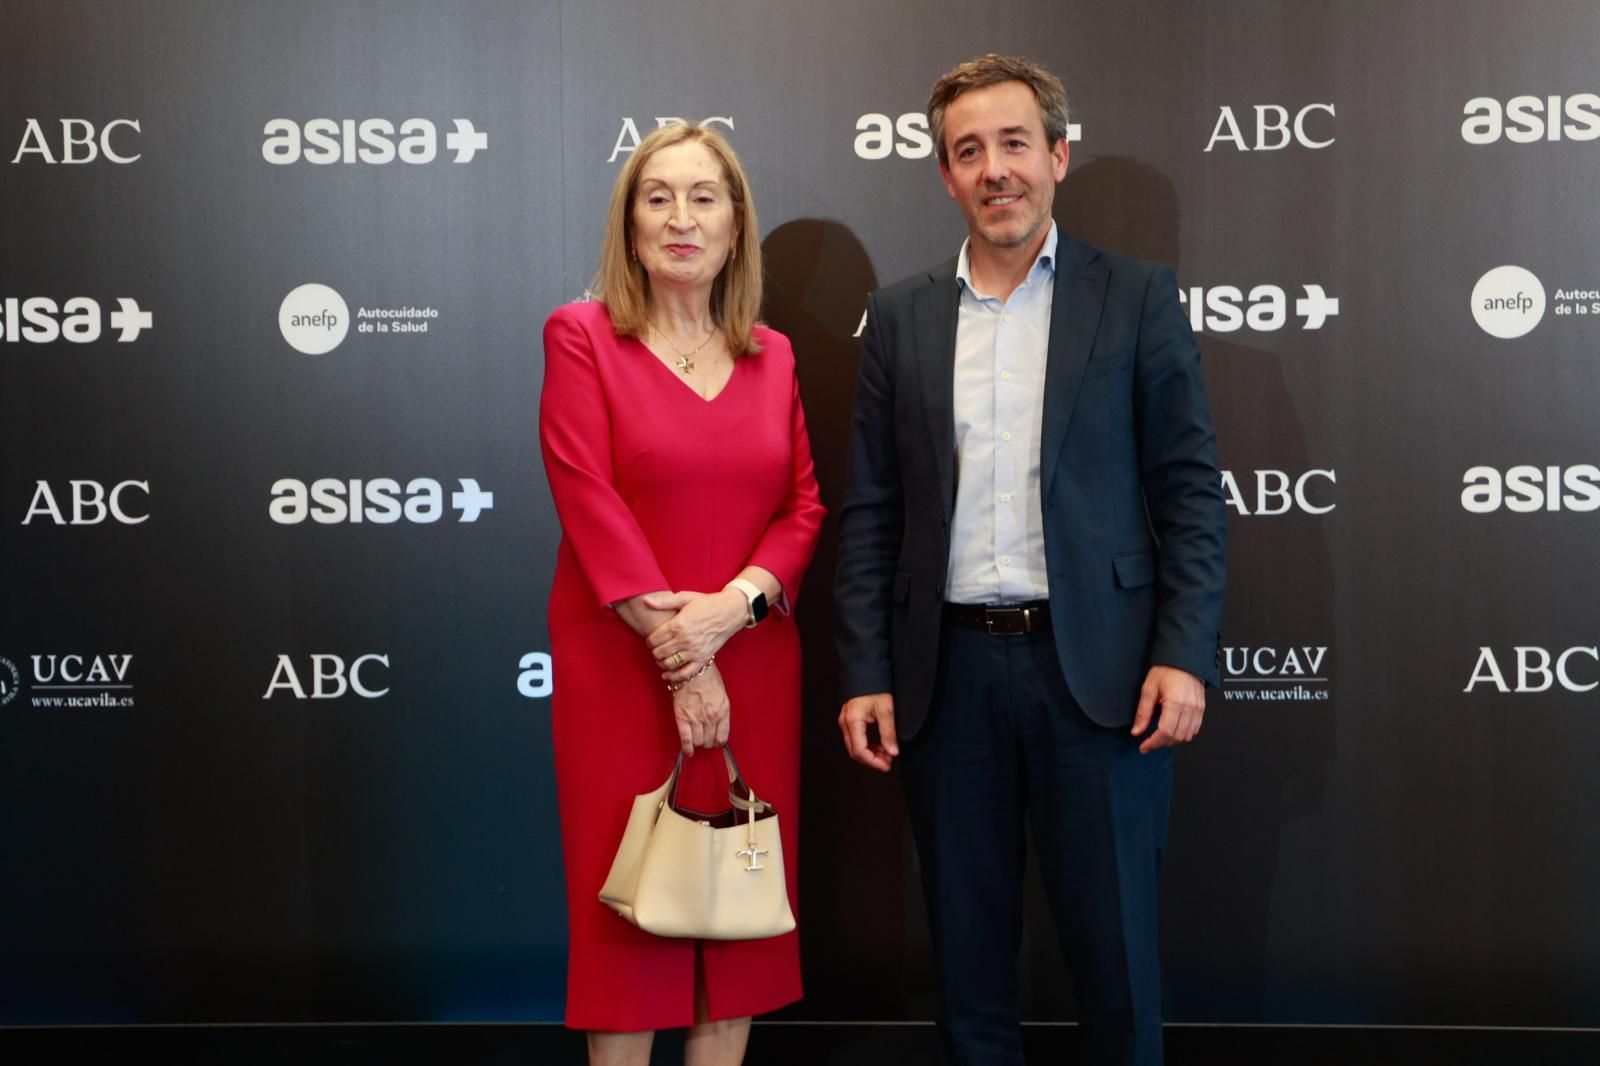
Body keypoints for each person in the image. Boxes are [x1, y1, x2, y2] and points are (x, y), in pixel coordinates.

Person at [834, 54, 1227, 1066]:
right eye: (969, 151)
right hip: (946, 683)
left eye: (1014, 144)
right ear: (946, 176)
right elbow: (871, 510)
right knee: (966, 973)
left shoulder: (1136, 297)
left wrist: (1182, 653)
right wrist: (866, 669)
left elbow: (1188, 494)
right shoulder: (903, 316)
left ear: (1057, 154)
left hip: (1097, 680)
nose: (994, 169)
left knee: (1118, 972)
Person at [540, 122, 825, 1066]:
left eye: (704, 197)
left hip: (755, 662)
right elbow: (588, 498)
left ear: (737, 226)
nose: (680, 217)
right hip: (621, 664)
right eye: (656, 197)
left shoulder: (772, 354)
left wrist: (733, 609)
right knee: (630, 905)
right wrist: (683, 657)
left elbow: (802, 508)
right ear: (629, 227)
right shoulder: (581, 336)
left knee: (731, 903)